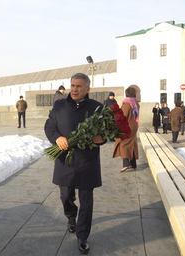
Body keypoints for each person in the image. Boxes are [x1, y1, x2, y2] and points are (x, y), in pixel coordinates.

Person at [44, 73, 105, 254]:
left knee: (87, 201)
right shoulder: (59, 105)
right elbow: (49, 126)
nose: (74, 89)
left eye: (79, 86)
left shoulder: (97, 108)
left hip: (87, 161)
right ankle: (71, 217)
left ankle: (83, 236)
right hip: (65, 160)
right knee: (65, 196)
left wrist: (100, 138)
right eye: (72, 85)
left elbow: (105, 133)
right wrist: (57, 138)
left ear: (87, 88)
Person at [113, 87, 139, 172]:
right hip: (134, 126)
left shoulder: (127, 104)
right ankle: (133, 164)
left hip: (127, 126)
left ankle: (126, 164)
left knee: (123, 143)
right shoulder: (135, 103)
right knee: (132, 143)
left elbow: (123, 116)